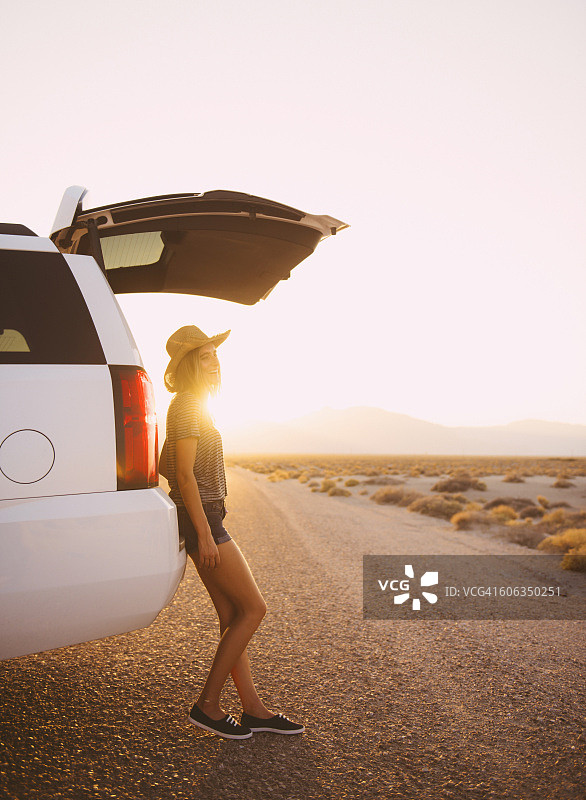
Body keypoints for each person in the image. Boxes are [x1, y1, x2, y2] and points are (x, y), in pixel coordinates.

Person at [163, 325, 304, 740]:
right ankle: (207, 705)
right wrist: (205, 534)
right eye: (205, 356)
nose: (214, 362)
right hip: (204, 519)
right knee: (254, 609)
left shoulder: (189, 407)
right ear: (189, 364)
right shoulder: (188, 406)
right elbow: (183, 476)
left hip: (202, 515)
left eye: (214, 354)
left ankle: (254, 710)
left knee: (231, 616)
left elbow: (163, 464)